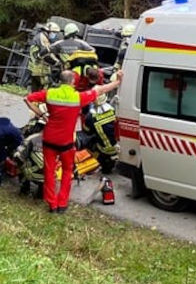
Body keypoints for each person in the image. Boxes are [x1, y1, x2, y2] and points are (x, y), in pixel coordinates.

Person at [25, 69, 123, 213]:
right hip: (66, 143)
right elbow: (100, 89)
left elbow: (27, 98)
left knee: (49, 171)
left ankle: (51, 203)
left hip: (49, 139)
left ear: (60, 81)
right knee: (67, 171)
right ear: (72, 82)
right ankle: (62, 203)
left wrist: (43, 115)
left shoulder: (50, 93)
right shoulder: (78, 97)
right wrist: (118, 81)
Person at [27, 22, 62, 91]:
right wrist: (57, 62)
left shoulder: (44, 37)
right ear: (48, 31)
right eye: (54, 32)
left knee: (37, 87)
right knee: (44, 83)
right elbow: (45, 54)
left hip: (39, 67)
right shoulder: (42, 38)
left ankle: (34, 99)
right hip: (37, 67)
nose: (55, 35)